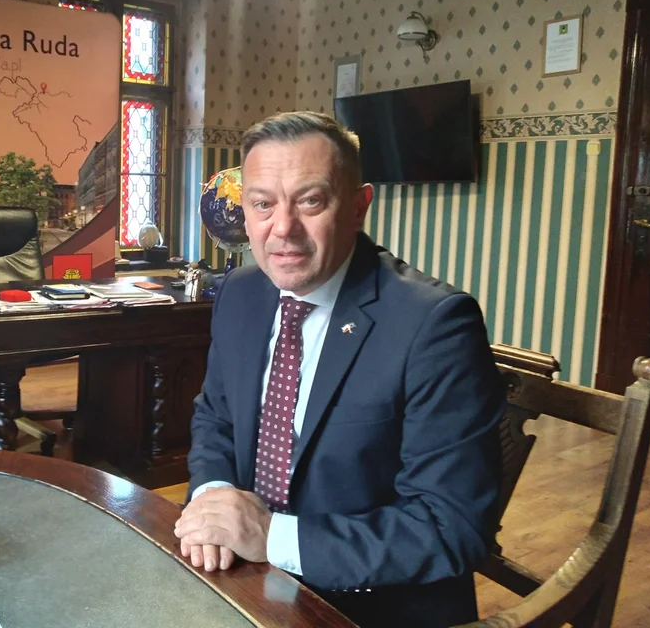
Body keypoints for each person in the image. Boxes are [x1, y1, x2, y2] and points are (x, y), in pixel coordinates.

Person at [175, 111, 505, 628]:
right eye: (262, 204)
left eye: (310, 201)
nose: (283, 229)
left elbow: (451, 526)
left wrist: (272, 537)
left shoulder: (435, 325)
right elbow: (216, 417)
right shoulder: (241, 292)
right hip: (245, 581)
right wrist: (214, 496)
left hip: (371, 606)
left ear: (358, 207)